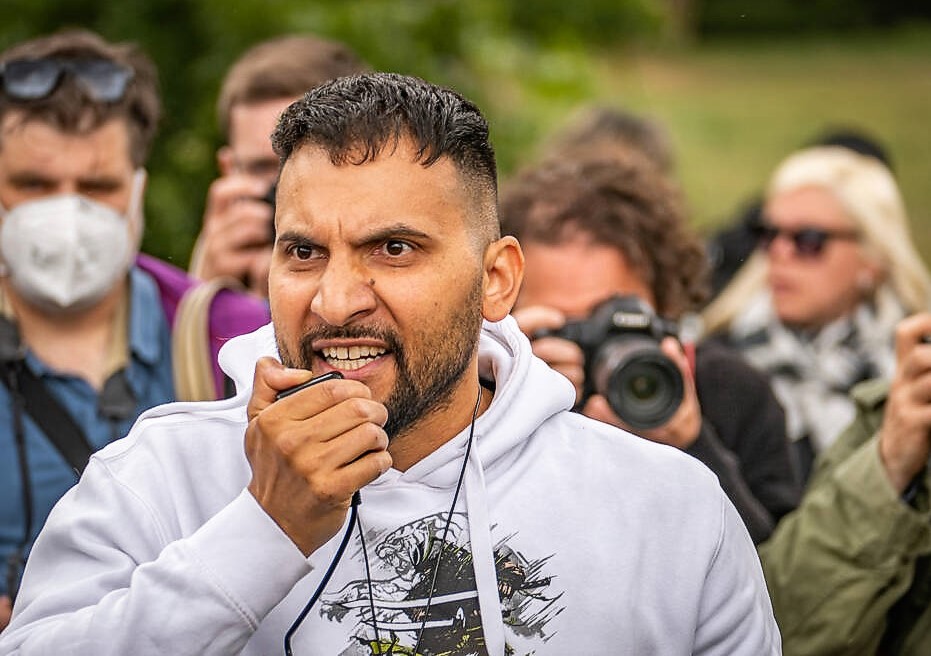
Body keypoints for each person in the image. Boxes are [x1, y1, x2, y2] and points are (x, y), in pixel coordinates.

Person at [0, 72, 780, 654]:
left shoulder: (666, 510)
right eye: (303, 251)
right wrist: (261, 533)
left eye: (394, 249)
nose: (337, 300)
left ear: (497, 278)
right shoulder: (156, 478)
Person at [0, 29, 268, 629]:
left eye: (97, 187)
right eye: (35, 185)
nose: (67, 214)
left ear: (138, 189)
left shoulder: (231, 338)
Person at [499, 153, 800, 544]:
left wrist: (692, 446)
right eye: (567, 326)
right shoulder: (481, 396)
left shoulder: (733, 392)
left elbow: (771, 580)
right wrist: (508, 396)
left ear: (666, 304)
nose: (601, 350)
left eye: (615, 317)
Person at [702, 145, 931, 483]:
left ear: (872, 257)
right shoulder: (717, 362)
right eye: (769, 234)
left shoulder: (916, 368)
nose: (780, 252)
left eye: (808, 239)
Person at [759, 312, 931, 655]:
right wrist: (889, 467)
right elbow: (777, 631)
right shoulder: (900, 416)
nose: (781, 256)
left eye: (811, 252)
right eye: (768, 251)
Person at [188, 34, 368, 297]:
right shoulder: (206, 278)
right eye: (263, 168)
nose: (285, 185)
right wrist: (207, 300)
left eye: (300, 159)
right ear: (229, 171)